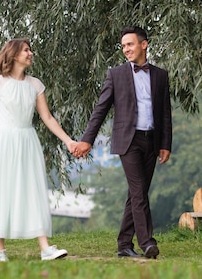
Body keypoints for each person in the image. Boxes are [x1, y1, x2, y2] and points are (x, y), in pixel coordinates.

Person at [0, 38, 77, 262]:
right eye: (26, 50)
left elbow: (47, 117)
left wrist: (68, 141)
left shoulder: (35, 85)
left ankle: (45, 249)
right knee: (0, 190)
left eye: (30, 50)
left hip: (27, 141)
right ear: (14, 54)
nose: (31, 53)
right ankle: (0, 251)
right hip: (3, 141)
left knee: (33, 189)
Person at [72, 26, 172, 260]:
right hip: (129, 141)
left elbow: (165, 113)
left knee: (137, 193)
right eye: (123, 46)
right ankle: (148, 242)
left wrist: (165, 143)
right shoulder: (115, 75)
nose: (126, 49)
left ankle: (124, 244)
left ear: (144, 45)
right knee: (139, 192)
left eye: (130, 44)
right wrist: (88, 139)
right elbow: (100, 109)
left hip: (152, 140)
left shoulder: (160, 75)